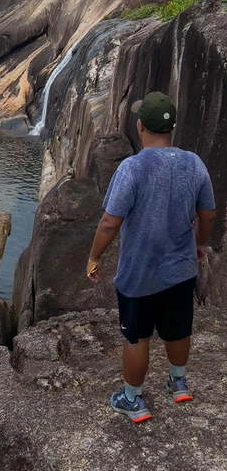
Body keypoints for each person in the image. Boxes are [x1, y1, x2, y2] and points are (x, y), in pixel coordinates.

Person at [86, 92, 216, 423]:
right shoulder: (193, 163)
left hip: (139, 273)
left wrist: (94, 256)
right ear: (171, 128)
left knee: (137, 336)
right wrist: (200, 244)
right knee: (177, 329)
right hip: (180, 270)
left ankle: (132, 400)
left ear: (140, 125)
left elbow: (110, 222)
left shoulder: (132, 168)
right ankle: (178, 381)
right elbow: (209, 214)